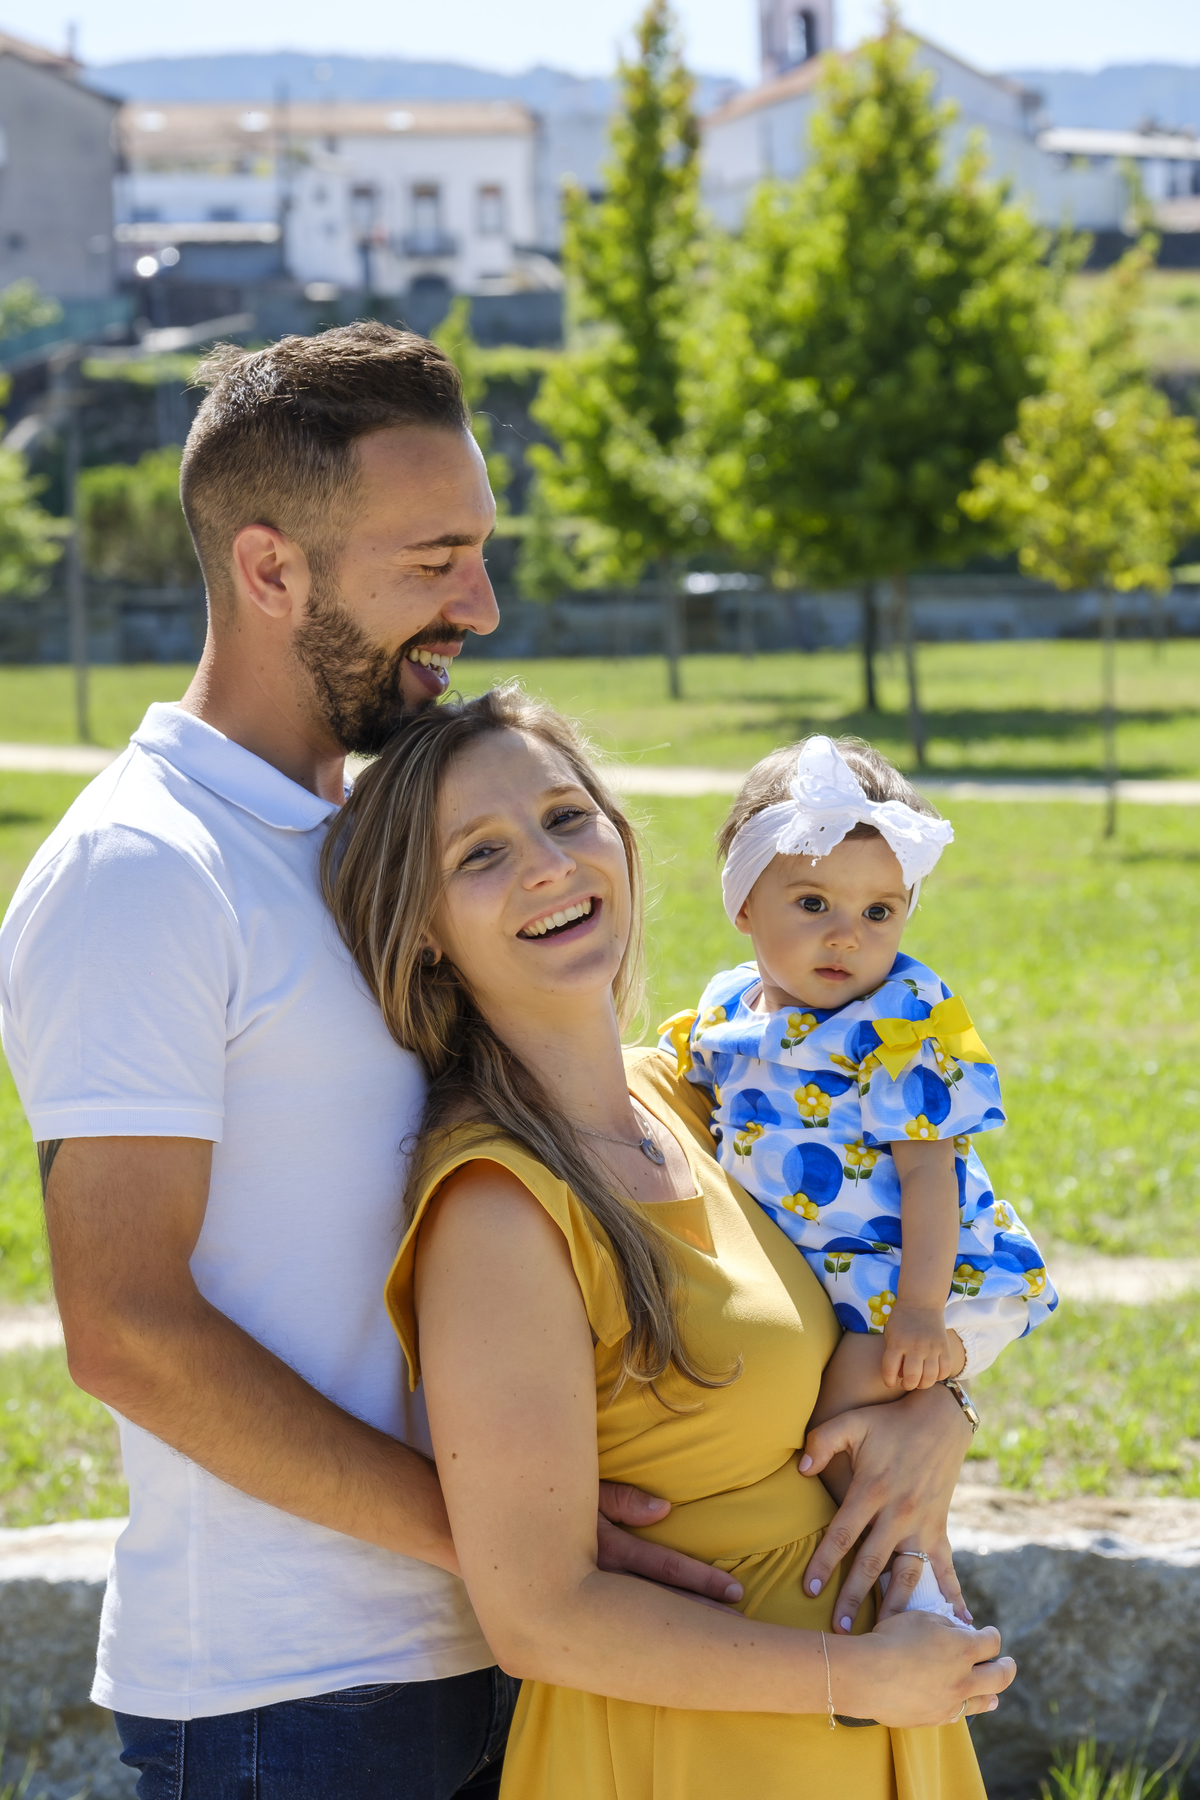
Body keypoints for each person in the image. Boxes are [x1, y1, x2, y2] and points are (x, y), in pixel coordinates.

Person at [0, 324, 736, 1800]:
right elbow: (126, 1328)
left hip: (517, 1652)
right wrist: (511, 1538)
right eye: (435, 560)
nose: (484, 602)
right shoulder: (145, 869)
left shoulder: (377, 835)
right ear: (271, 571)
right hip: (299, 1704)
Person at [320, 683, 1017, 1800]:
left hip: (879, 1722)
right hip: (691, 1753)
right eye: (480, 856)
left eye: (564, 817)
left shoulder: (706, 1099)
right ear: (425, 934)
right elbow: (543, 1619)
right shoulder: (499, 1207)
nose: (549, 866)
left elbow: (901, 1257)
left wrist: (940, 1407)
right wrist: (858, 1678)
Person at [659, 733, 1056, 1615]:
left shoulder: (902, 1016)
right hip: (841, 1275)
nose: (849, 936)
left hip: (925, 1277)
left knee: (838, 1404)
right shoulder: (727, 1007)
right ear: (744, 908)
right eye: (813, 902)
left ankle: (901, 1582)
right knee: (820, 1405)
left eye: (881, 912)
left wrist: (918, 1312)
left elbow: (931, 1177)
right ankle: (904, 1572)